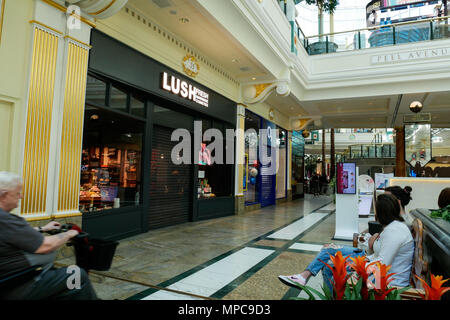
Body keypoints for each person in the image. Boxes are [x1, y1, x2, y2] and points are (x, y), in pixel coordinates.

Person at [278, 193, 414, 291]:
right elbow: (378, 256)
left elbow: (382, 264)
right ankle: (304, 277)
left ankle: (307, 279)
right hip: (378, 271)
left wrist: (357, 265)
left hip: (387, 281)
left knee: (330, 266)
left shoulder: (394, 231)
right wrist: (363, 258)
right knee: (329, 258)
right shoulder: (392, 227)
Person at [0, 171, 98, 300]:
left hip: (11, 280)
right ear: (4, 195)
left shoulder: (5, 220)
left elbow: (15, 234)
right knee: (77, 275)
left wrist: (43, 228)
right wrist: (69, 233)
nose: (21, 196)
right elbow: (45, 245)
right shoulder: (6, 219)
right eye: (18, 193)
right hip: (20, 284)